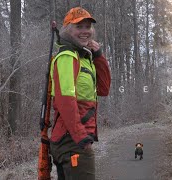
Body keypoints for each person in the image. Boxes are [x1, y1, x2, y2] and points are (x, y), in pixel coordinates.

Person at [49, 7, 111, 180]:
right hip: (72, 141)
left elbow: (104, 89)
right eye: (79, 27)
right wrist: (80, 138)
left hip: (76, 139)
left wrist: (98, 56)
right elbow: (65, 101)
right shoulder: (67, 57)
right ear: (68, 30)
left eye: (88, 27)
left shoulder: (83, 57)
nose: (85, 31)